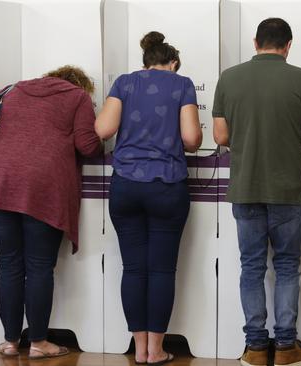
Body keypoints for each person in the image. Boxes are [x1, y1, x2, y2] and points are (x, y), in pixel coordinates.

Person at [212, 17, 301, 366]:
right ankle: (286, 347)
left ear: (255, 42)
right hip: (286, 189)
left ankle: (255, 347)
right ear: (288, 45)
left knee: (251, 268)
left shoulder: (229, 78)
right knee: (287, 266)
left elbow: (220, 137)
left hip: (245, 188)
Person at [0, 66, 102, 359]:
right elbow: (87, 145)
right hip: (42, 185)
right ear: (79, 85)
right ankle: (39, 343)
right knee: (39, 267)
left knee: (9, 265)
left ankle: (9, 342)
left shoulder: (14, 90)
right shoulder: (78, 97)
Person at [95, 31, 202, 365]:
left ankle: (139, 348)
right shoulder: (181, 83)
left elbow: (102, 130)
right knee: (161, 271)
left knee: (133, 268)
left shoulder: (124, 83)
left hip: (125, 185)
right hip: (166, 186)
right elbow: (191, 138)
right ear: (172, 63)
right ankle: (156, 351)